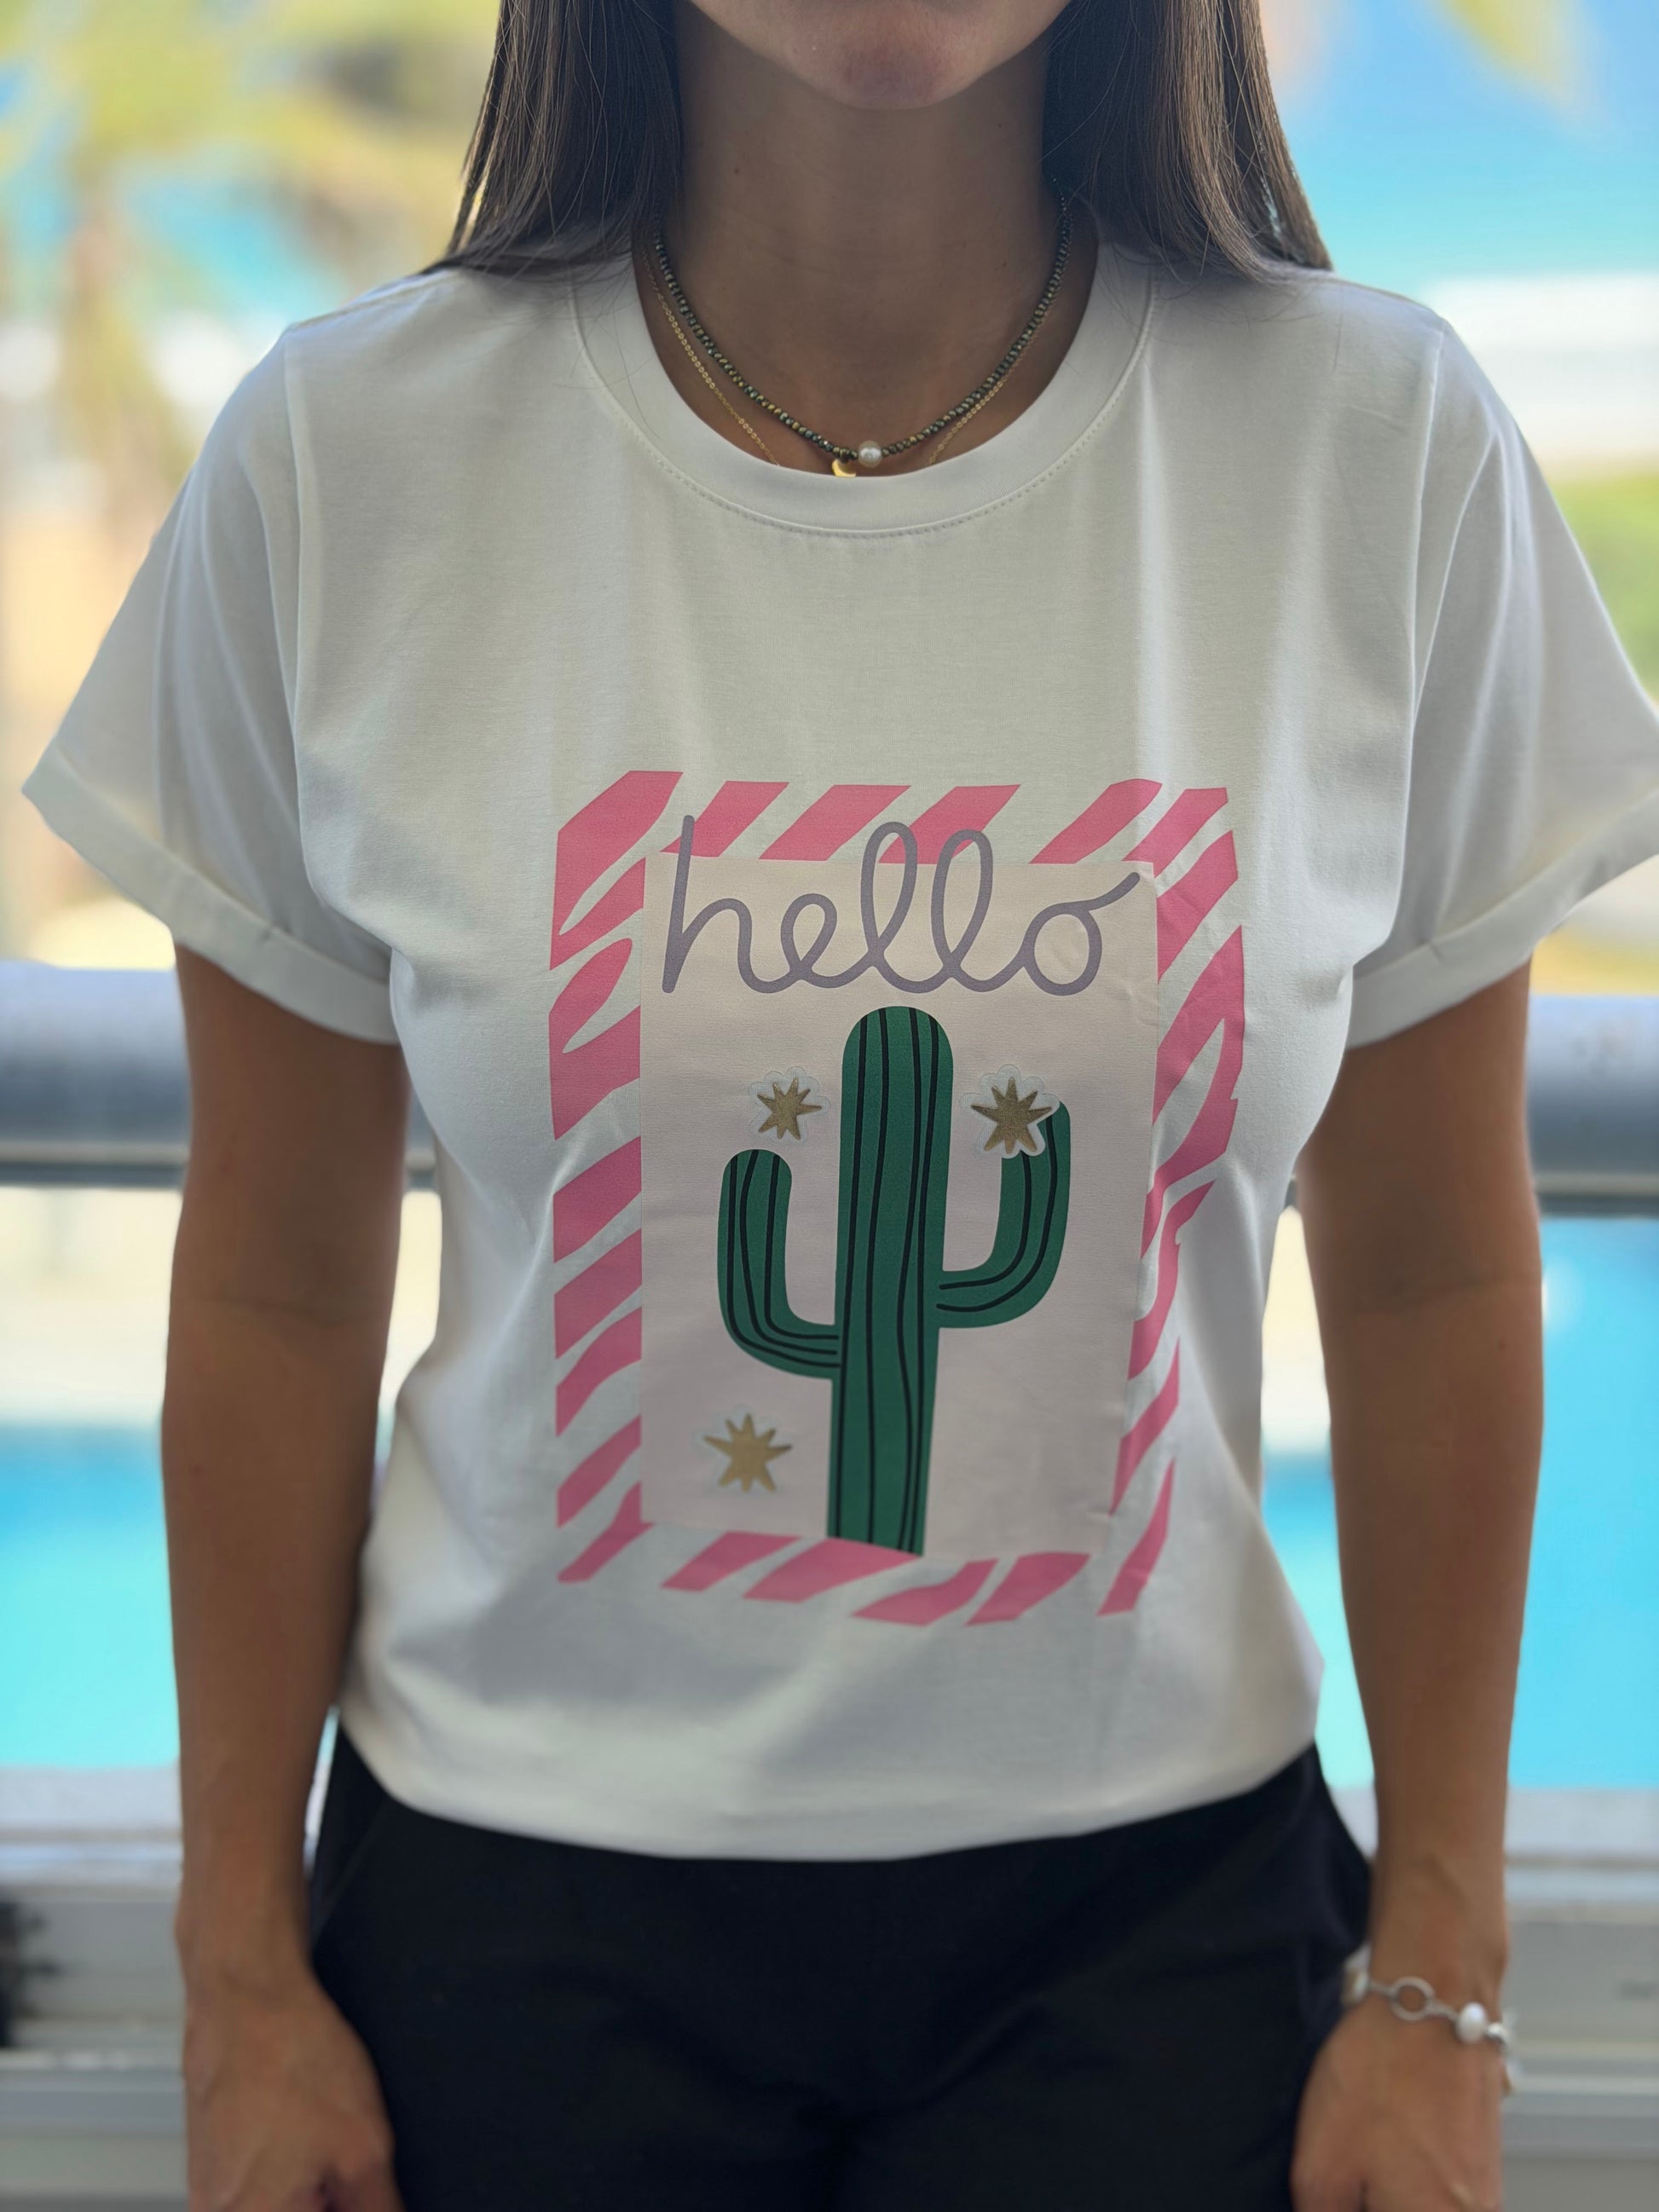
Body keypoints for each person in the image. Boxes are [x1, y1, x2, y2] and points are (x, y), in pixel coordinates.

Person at [23, 1, 1659, 2206]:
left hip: (1158, 1937)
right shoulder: (345, 461)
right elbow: (274, 1295)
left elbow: (1436, 1277)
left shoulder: (1376, 449)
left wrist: (1440, 1968)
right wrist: (235, 1969)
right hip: (511, 1931)